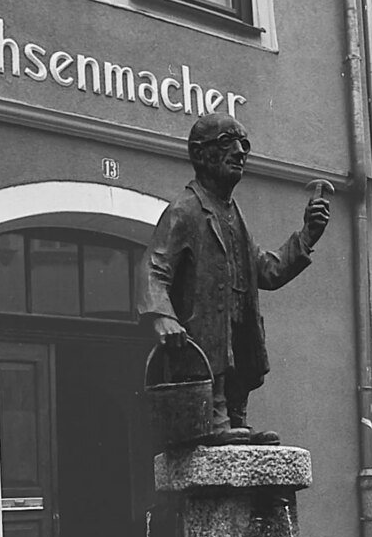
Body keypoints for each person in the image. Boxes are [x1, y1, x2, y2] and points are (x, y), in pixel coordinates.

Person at [137, 112, 330, 443]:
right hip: (205, 337)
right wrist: (162, 317)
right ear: (199, 154)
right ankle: (215, 421)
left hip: (238, 330)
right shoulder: (184, 210)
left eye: (245, 144)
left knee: (239, 367)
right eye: (228, 142)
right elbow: (154, 268)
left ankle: (236, 420)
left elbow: (267, 270)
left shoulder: (233, 214)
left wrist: (308, 236)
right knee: (216, 368)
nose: (240, 151)